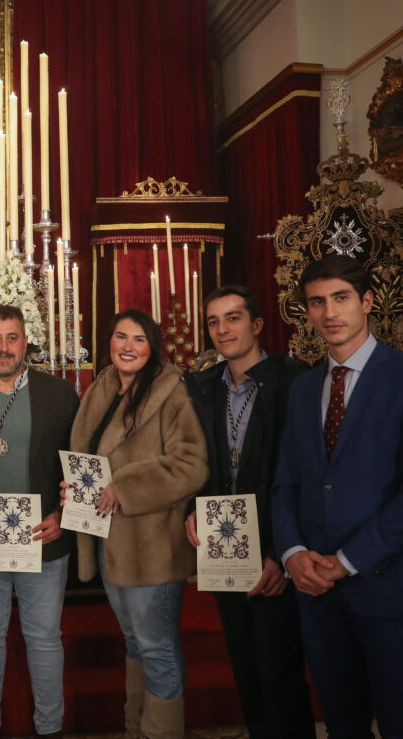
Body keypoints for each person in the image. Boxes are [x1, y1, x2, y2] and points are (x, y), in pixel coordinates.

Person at [272, 255, 403, 739]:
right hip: (317, 596)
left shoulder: (400, 375)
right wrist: (292, 553)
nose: (329, 312)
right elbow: (286, 483)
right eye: (317, 302)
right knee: (342, 726)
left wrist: (348, 560)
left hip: (388, 589)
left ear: (367, 302)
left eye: (341, 298)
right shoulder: (303, 389)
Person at [66, 309, 207, 739]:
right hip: (111, 542)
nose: (128, 347)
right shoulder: (102, 387)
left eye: (139, 339)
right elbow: (90, 458)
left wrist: (124, 487)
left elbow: (191, 465)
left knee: (157, 647)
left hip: (152, 546)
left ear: (153, 347)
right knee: (134, 642)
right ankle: (136, 730)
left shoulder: (172, 392)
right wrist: (76, 489)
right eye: (121, 337)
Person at [183, 285, 315, 739]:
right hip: (224, 544)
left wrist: (282, 553)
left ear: (257, 324)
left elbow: (304, 473)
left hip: (275, 543)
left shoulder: (293, 382)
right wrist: (193, 508)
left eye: (233, 318)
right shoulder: (203, 387)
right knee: (246, 669)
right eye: (214, 321)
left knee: (279, 671)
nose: (222, 329)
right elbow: (196, 461)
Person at [0, 305, 79, 739]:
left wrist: (64, 516)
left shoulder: (59, 394)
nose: (4, 348)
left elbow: (80, 465)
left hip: (41, 535)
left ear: (26, 342)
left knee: (43, 637)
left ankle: (50, 728)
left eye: (12, 338)